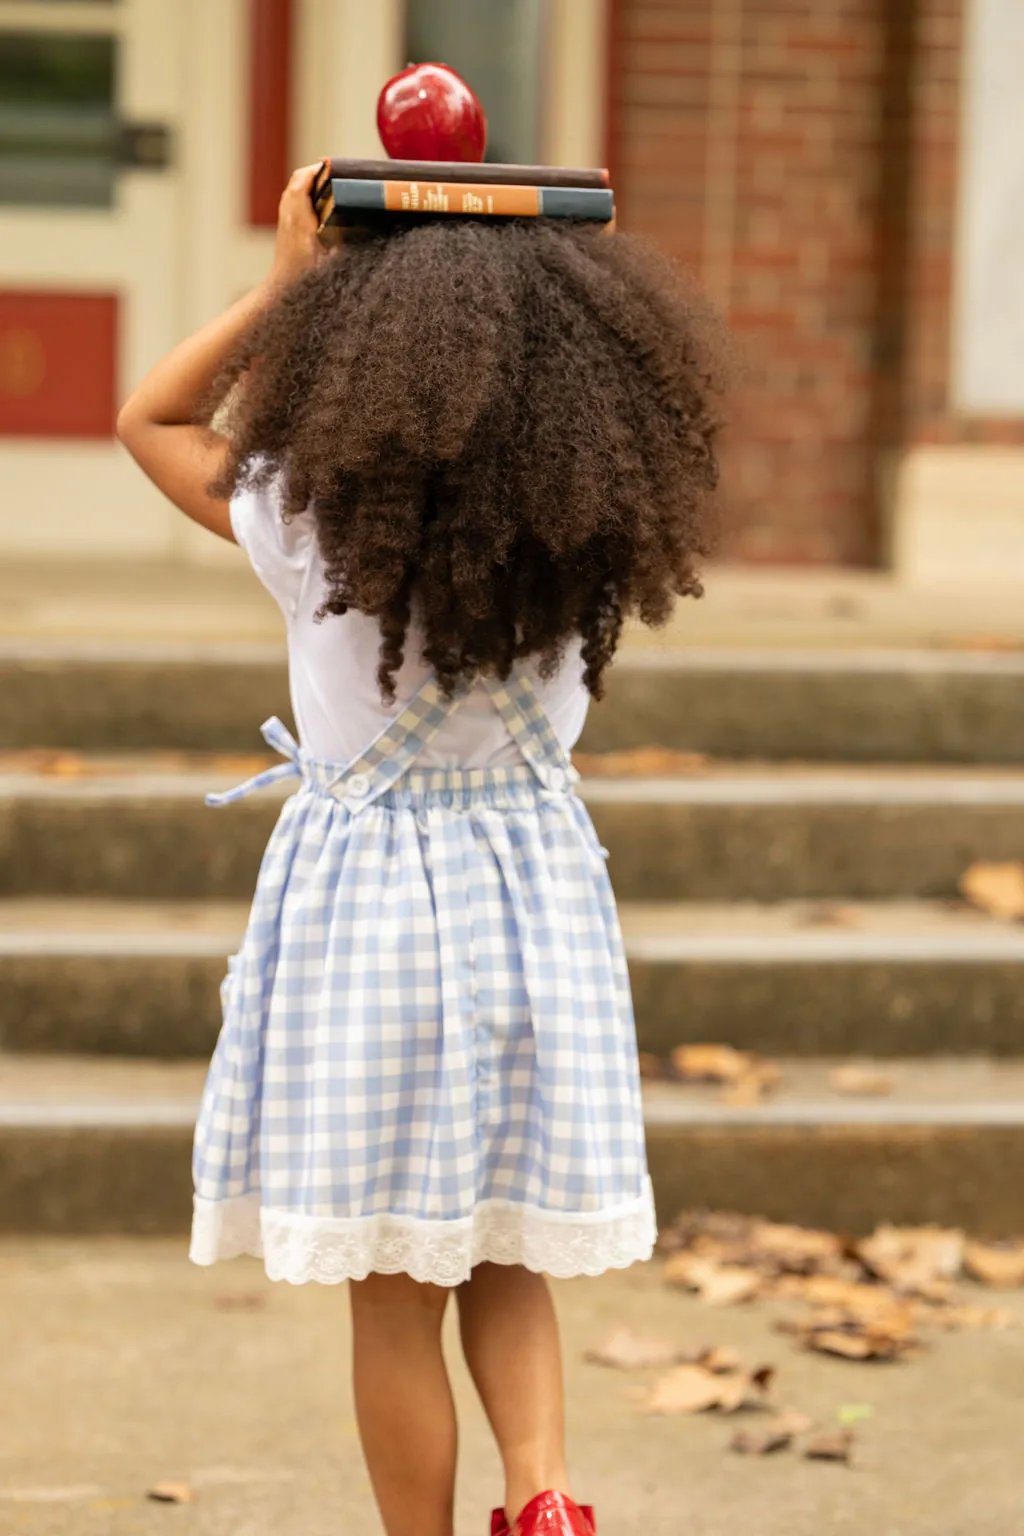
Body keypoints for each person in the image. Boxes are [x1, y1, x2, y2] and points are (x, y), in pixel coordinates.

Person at [117, 162, 725, 1536]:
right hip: (534, 909)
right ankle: (549, 1497)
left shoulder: (305, 517)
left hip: (371, 923)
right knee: (509, 1250)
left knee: (395, 1301)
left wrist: (284, 289)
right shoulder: (588, 534)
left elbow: (147, 415)